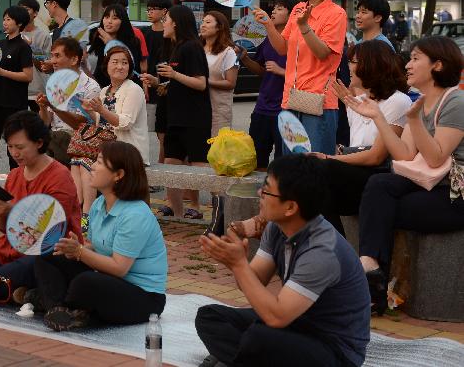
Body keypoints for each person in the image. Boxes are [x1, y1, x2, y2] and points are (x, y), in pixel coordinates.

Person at [195, 155, 370, 367]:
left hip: (334, 349)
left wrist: (239, 265)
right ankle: (243, 359)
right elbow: (254, 281)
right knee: (210, 317)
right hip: (297, 324)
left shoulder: (322, 251)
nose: (260, 193)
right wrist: (234, 263)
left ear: (290, 207)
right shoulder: (277, 228)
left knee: (258, 337)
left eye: (266, 190)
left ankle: (236, 358)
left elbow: (277, 317)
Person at [232, 39, 412, 239]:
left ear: (372, 64)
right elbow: (358, 148)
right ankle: (290, 235)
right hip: (354, 176)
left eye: (353, 62)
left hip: (377, 180)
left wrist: (328, 158)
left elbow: (375, 158)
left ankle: (265, 223)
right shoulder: (359, 101)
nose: (348, 67)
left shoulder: (397, 101)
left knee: (316, 170)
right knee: (297, 174)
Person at [344, 36, 464, 315]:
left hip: (455, 193)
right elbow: (405, 155)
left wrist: (412, 120)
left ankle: (373, 285)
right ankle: (369, 268)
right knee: (379, 184)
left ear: (437, 65)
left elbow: (436, 157)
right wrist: (377, 117)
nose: (407, 65)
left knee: (381, 208)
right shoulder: (421, 101)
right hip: (429, 184)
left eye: (415, 58)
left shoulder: (456, 100)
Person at [31, 141, 167, 331]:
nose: (92, 166)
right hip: (110, 282)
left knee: (85, 282)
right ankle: (58, 311)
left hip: (144, 297)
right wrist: (71, 248)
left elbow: (120, 268)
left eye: (100, 162)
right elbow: (94, 247)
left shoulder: (135, 214)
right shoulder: (99, 203)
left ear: (119, 175)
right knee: (48, 255)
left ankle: (51, 302)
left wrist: (79, 252)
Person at [0, 112, 81, 300]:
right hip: (10, 251)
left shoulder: (59, 176)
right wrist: (0, 214)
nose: (14, 153)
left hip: (44, 254)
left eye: (20, 147)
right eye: (11, 146)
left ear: (39, 143)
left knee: (23, 268)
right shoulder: (14, 175)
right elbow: (6, 230)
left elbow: (51, 232)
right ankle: (3, 285)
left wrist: (13, 210)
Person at [255, 0, 348, 156]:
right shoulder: (298, 8)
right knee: (291, 163)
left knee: (313, 165)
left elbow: (323, 53)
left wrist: (305, 27)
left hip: (318, 101)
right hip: (291, 99)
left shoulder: (336, 14)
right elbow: (282, 48)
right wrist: (268, 26)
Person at [142, 5, 210, 219]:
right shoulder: (172, 47)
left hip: (194, 118)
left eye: (167, 19)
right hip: (175, 116)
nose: (164, 22)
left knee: (200, 167)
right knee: (171, 166)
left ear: (177, 23)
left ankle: (216, 210)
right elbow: (174, 84)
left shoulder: (192, 47)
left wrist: (174, 74)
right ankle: (179, 215)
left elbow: (200, 83)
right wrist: (156, 83)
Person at [238, 0, 299, 169]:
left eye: (280, 9)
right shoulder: (268, 40)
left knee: (283, 161)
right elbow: (263, 71)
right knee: (257, 157)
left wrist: (282, 71)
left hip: (287, 109)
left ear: (292, 14)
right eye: (274, 8)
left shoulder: (297, 40)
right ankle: (259, 194)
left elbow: (305, 74)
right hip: (262, 108)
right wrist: (245, 59)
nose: (273, 11)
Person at [36, 37, 101, 169]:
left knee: (56, 138)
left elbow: (81, 124)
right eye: (52, 56)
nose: (52, 61)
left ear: (74, 59)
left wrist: (53, 106)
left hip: (79, 140)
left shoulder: (90, 86)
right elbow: (45, 123)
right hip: (56, 138)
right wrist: (43, 107)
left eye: (57, 56)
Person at [0, 6, 33, 172]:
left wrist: (2, 72)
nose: (4, 23)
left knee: (13, 148)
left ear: (19, 23)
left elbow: (28, 76)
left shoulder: (23, 47)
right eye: (4, 19)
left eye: (8, 19)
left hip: (15, 105)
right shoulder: (0, 44)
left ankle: (17, 182)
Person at [86, 46, 149, 165]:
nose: (120, 67)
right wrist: (90, 110)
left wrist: (101, 110)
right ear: (107, 65)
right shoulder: (105, 90)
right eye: (115, 62)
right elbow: (104, 122)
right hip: (109, 150)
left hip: (129, 153)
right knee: (78, 160)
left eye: (124, 63)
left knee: (84, 162)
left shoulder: (133, 89)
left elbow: (125, 123)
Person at [200, 11, 238, 137]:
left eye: (208, 22)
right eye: (203, 22)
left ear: (219, 27)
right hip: (197, 107)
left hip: (218, 110)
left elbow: (230, 82)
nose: (203, 25)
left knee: (216, 150)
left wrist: (204, 82)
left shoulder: (228, 52)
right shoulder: (197, 48)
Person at [88, 4, 144, 87]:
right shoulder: (99, 40)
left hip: (124, 89)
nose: (109, 21)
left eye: (115, 18)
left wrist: (111, 44)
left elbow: (131, 69)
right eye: (106, 17)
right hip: (102, 88)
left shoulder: (132, 42)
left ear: (123, 21)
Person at [144, 0, 172, 163]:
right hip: (146, 84)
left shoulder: (169, 35)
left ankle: (162, 168)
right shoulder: (144, 33)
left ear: (164, 11)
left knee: (163, 133)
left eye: (153, 9)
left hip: (164, 86)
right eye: (148, 9)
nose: (150, 12)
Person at [18, 0, 52, 112]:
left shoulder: (44, 36)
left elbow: (44, 66)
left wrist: (29, 48)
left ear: (35, 14)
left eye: (26, 9)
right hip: (17, 90)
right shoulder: (13, 35)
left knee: (39, 126)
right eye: (20, 9)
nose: (22, 12)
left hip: (37, 91)